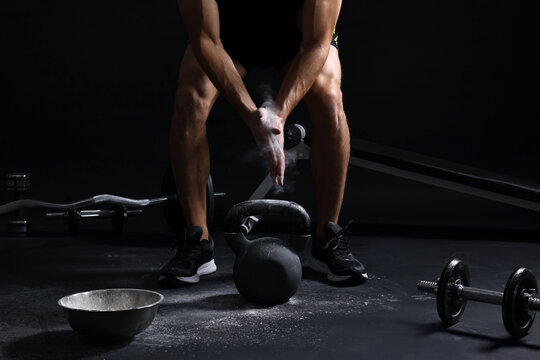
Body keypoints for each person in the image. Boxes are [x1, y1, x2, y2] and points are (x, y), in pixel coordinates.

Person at [159, 0, 367, 285]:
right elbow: (206, 40)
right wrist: (252, 115)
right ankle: (198, 241)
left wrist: (278, 115)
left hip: (301, 36)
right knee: (190, 99)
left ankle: (327, 238)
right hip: (227, 36)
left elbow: (317, 44)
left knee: (329, 100)